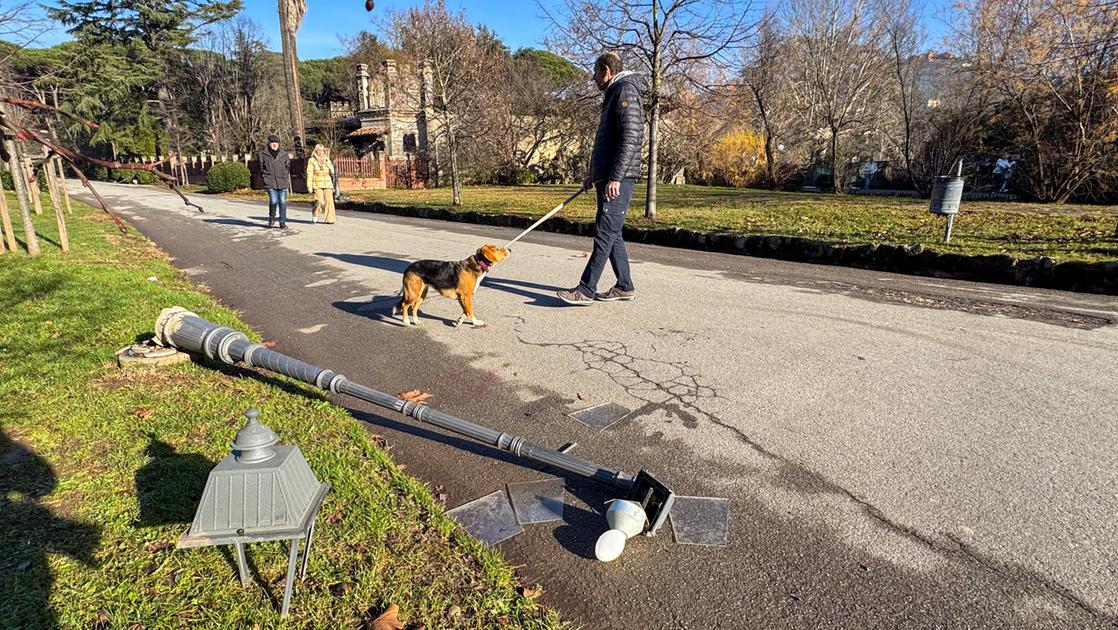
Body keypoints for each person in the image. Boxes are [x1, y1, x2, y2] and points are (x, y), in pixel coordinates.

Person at [557, 51, 644, 305]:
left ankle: (585, 289)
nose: (593, 77)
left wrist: (616, 178)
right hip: (607, 177)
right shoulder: (615, 92)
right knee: (612, 231)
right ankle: (625, 285)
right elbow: (608, 142)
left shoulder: (625, 91)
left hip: (620, 178)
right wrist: (593, 175)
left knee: (605, 231)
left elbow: (631, 138)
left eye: (595, 72)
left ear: (606, 71)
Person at [258, 134, 291, 228]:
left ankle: (282, 221)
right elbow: (260, 167)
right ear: (268, 143)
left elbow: (288, 166)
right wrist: (265, 177)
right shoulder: (262, 154)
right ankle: (272, 218)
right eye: (272, 142)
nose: (274, 144)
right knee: (273, 201)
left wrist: (284, 175)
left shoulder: (284, 154)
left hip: (282, 181)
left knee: (283, 202)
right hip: (270, 182)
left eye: (276, 142)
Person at [305, 144, 336, 224]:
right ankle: (315, 213)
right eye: (318, 150)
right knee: (319, 201)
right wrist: (309, 185)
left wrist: (328, 163)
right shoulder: (312, 160)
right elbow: (310, 173)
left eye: (321, 150)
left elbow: (332, 171)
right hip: (317, 182)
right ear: (315, 151)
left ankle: (330, 218)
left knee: (329, 201)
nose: (320, 152)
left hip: (327, 182)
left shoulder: (326, 159)